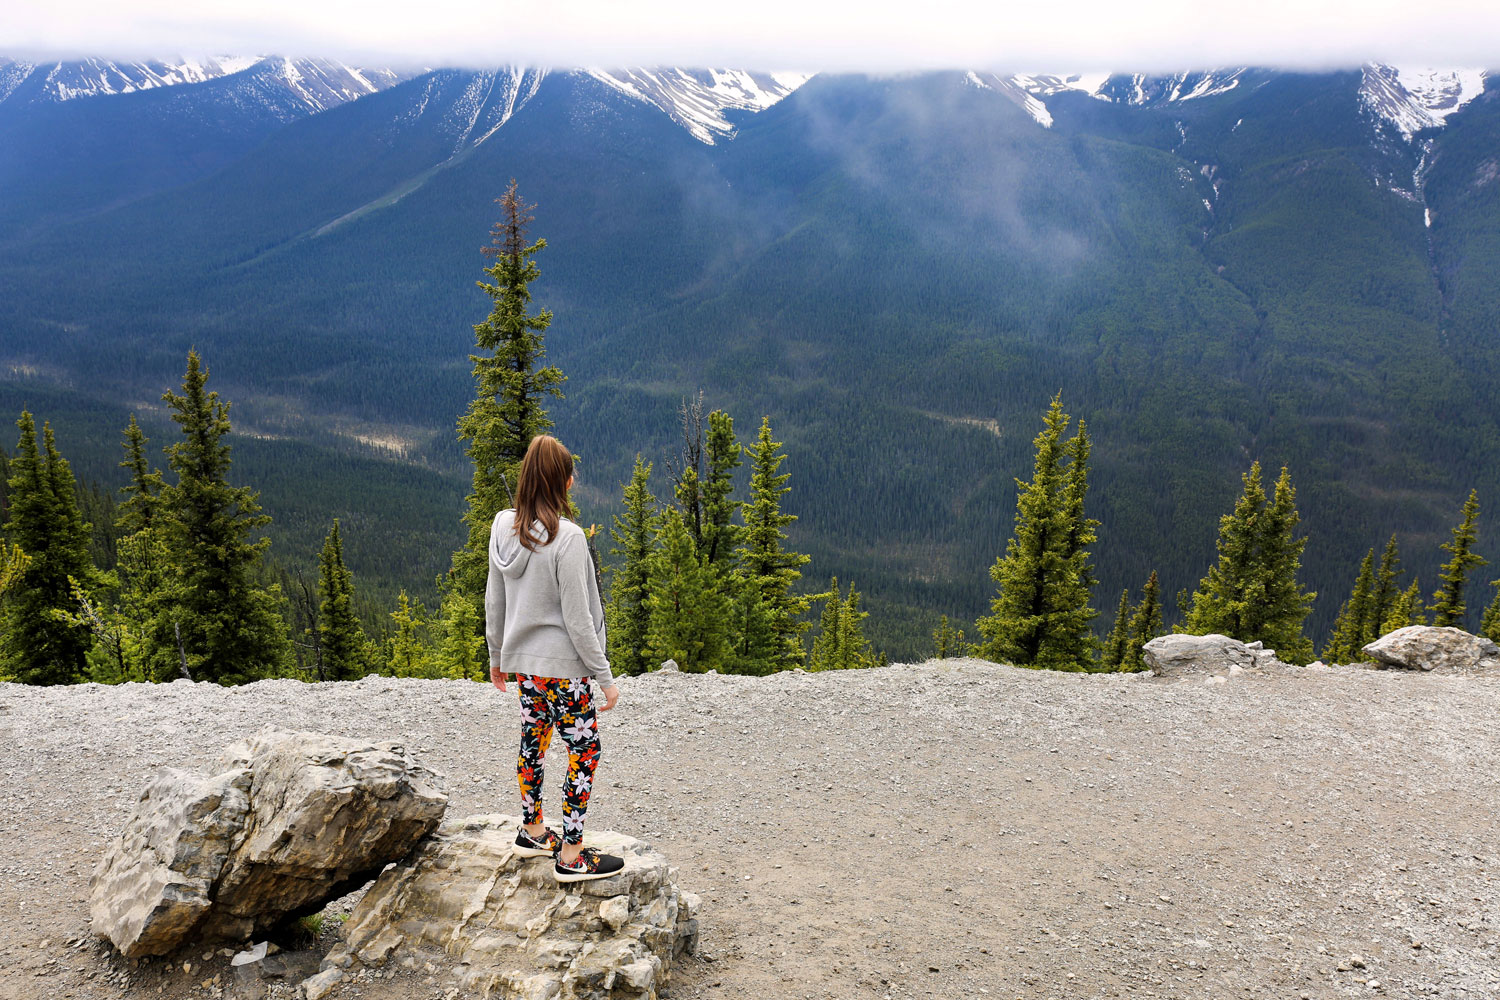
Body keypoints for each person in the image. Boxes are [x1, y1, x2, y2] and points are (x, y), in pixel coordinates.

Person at [486, 435, 624, 883]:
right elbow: (579, 619)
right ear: (562, 482)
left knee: (535, 738)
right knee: (584, 751)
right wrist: (604, 676)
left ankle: (531, 831)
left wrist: (496, 654)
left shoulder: (503, 527)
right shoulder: (569, 538)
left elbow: (495, 597)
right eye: (572, 474)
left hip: (525, 665)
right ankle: (571, 854)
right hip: (564, 671)